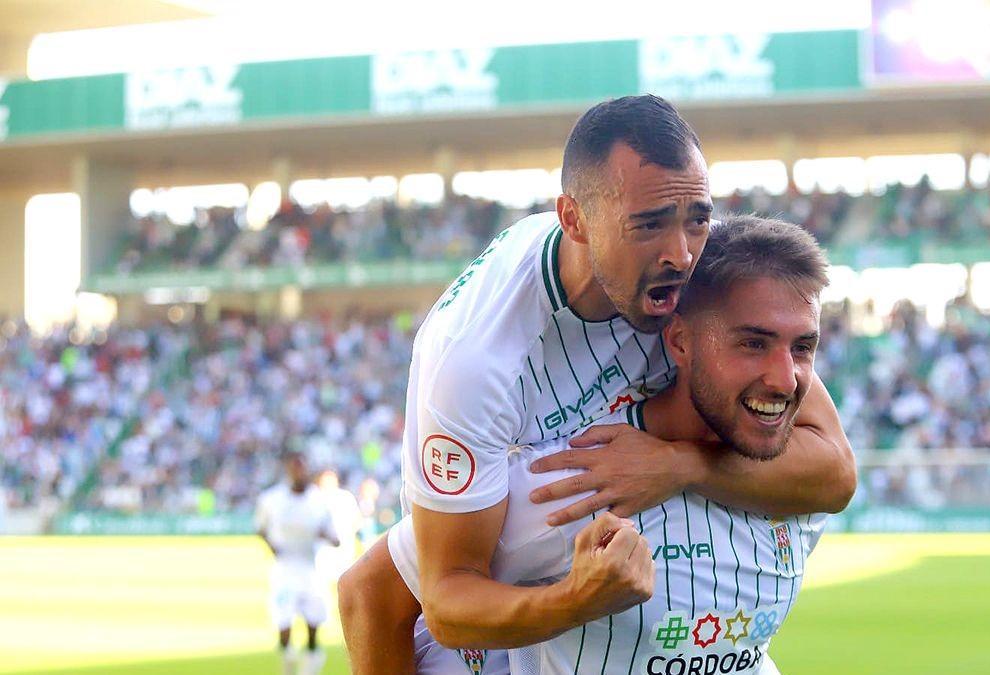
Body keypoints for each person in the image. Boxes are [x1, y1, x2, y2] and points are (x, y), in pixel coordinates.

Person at [339, 95, 854, 673]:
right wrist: (577, 598)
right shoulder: (475, 361)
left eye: (698, 219)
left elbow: (834, 469)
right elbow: (403, 593)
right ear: (575, 219)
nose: (682, 254)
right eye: (650, 225)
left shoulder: (705, 285)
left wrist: (681, 466)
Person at [388, 215, 832, 673]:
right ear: (680, 342)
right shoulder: (584, 476)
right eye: (752, 344)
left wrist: (686, 466)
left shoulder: (800, 480)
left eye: (803, 348)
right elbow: (374, 593)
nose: (785, 379)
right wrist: (573, 600)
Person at [255, 451, 340, 675]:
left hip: (311, 570)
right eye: (294, 468)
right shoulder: (272, 499)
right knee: (284, 625)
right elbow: (261, 529)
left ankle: (310, 670)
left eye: (302, 468)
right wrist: (271, 546)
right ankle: (289, 663)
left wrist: (329, 537)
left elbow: (335, 535)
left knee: (313, 626)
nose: (298, 472)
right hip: (284, 570)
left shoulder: (319, 500)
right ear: (288, 470)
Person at [315, 468, 363, 583]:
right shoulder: (315, 499)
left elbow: (357, 521)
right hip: (323, 550)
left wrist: (346, 535)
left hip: (344, 547)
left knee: (344, 582)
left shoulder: (345, 497)